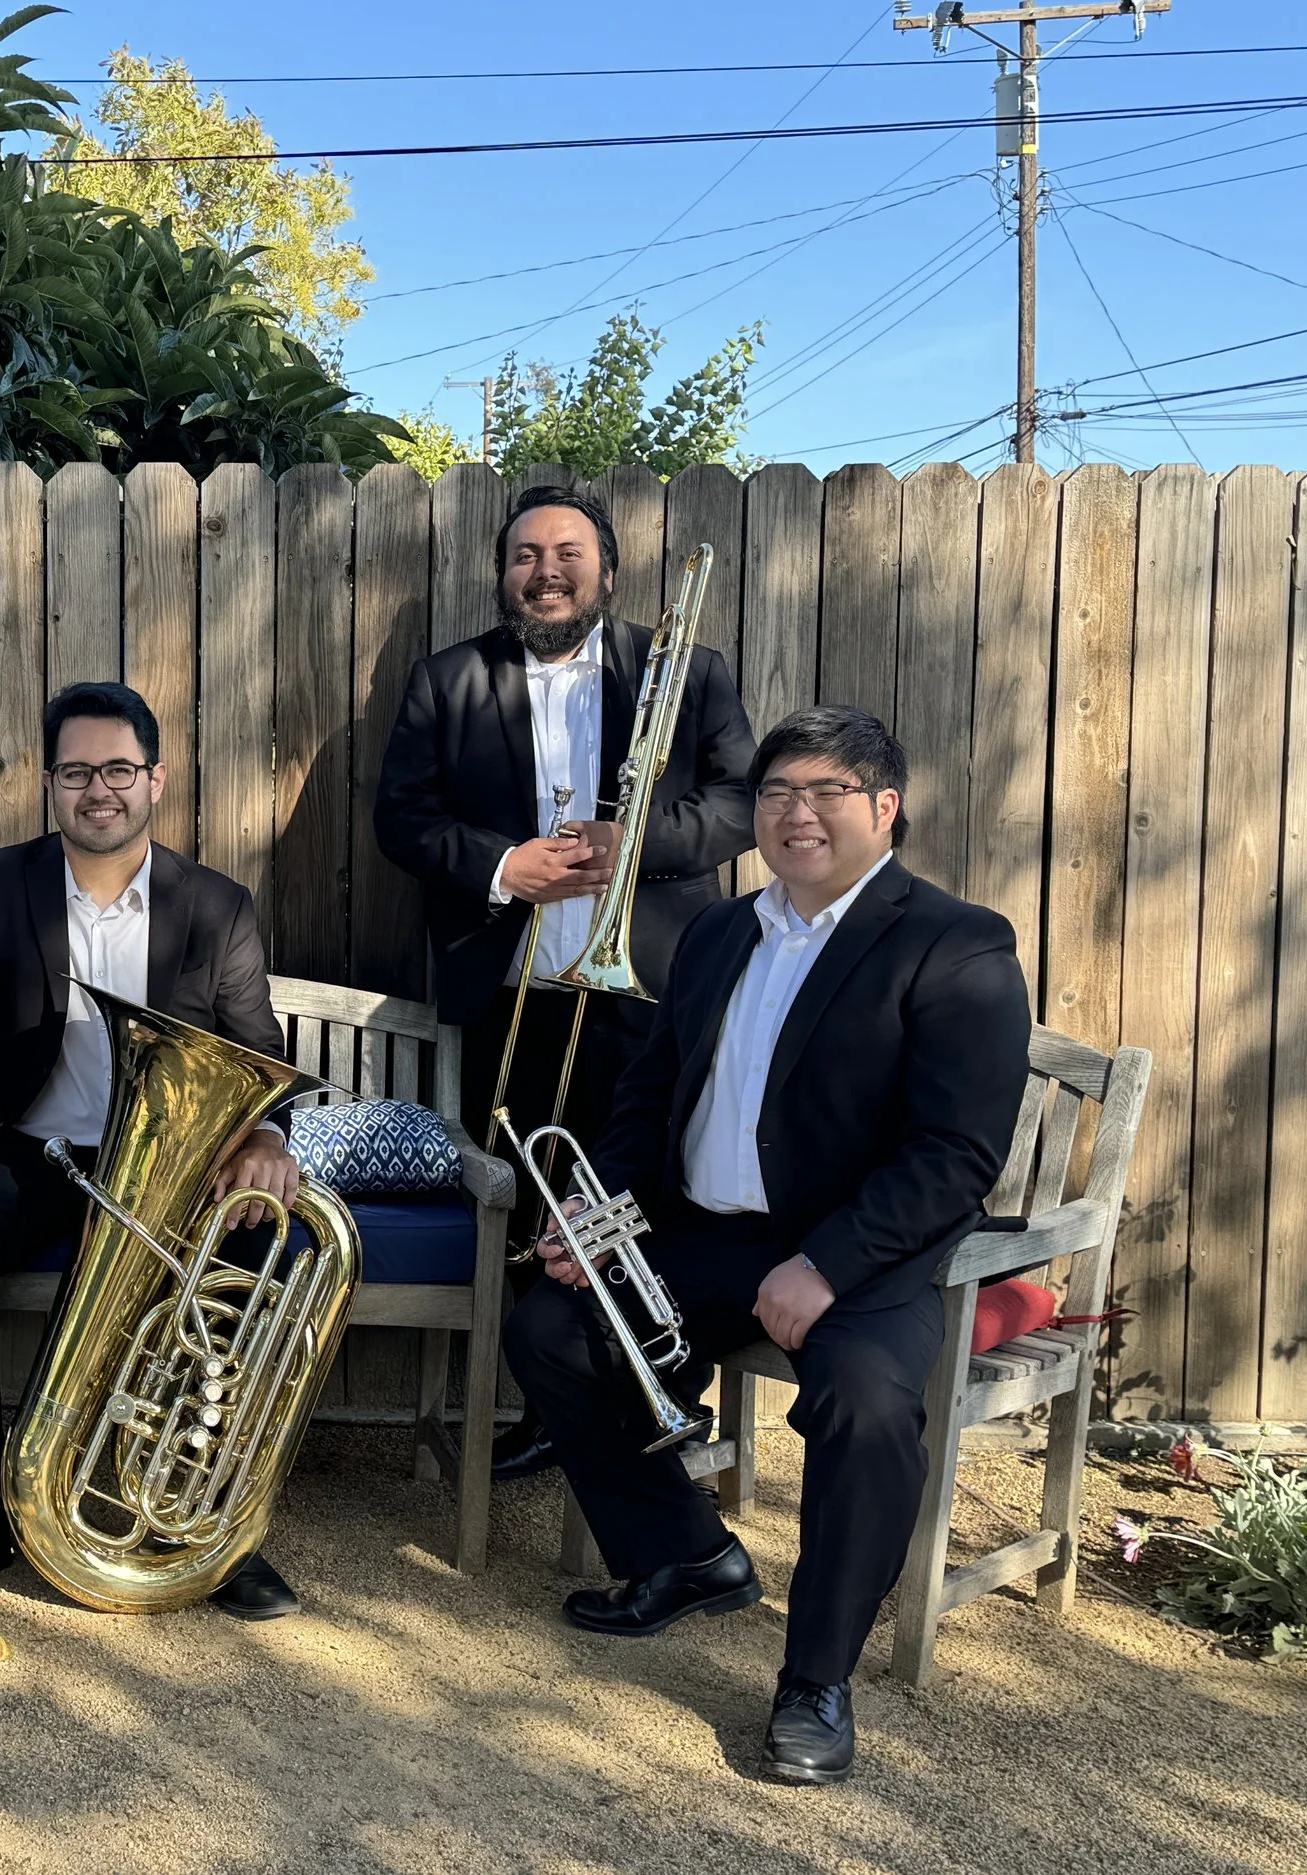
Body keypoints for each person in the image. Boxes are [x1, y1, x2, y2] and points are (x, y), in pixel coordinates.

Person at [504, 707, 1031, 1784]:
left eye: (826, 792)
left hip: (856, 1257)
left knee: (870, 1406)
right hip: (701, 1238)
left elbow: (951, 1156)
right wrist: (592, 1209)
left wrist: (825, 1264)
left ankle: (816, 1680)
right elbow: (650, 1097)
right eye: (778, 793)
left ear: (883, 809)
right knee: (552, 1327)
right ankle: (687, 1556)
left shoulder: (954, 942)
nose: (796, 814)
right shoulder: (718, 930)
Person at [0, 681, 305, 1620]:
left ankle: (214, 1532)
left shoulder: (217, 905)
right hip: (36, 1158)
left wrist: (265, 1136)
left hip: (170, 1174)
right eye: (77, 771)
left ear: (156, 780)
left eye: (118, 769)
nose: (98, 789)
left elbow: (260, 1052)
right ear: (49, 782)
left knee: (268, 1252)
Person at [373, 483, 755, 1481]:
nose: (545, 572)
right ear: (502, 574)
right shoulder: (447, 679)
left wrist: (635, 841)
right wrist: (508, 867)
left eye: (567, 553)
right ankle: (551, 1405)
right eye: (525, 555)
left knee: (649, 1204)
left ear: (607, 569)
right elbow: (401, 822)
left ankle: (664, 1397)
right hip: (515, 991)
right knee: (530, 1210)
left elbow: (741, 807)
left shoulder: (691, 672)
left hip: (650, 993)